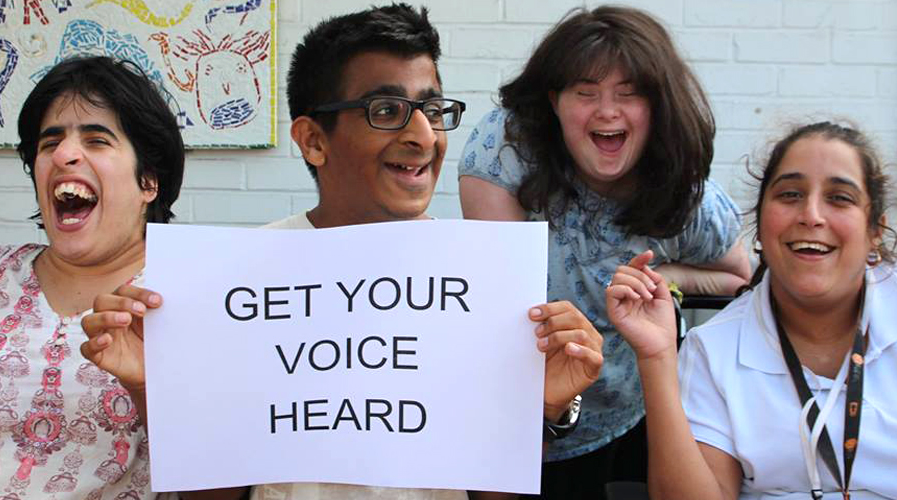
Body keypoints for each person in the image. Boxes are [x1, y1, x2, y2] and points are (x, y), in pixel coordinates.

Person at [79, 4, 604, 500]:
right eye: (387, 110)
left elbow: (497, 493)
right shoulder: (239, 278)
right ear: (313, 141)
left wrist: (545, 406)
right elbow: (210, 493)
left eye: (432, 109)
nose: (424, 135)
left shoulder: (479, 282)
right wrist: (155, 385)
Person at [456, 6, 752, 497]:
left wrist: (665, 279)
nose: (607, 111)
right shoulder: (504, 149)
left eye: (628, 94)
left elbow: (737, 276)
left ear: (657, 106)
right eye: (586, 93)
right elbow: (501, 312)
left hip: (631, 411)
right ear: (554, 101)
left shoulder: (687, 194)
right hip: (526, 413)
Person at [0, 55, 185, 499]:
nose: (66, 154)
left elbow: (217, 464)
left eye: (96, 139)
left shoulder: (185, 289)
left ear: (149, 181)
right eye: (50, 143)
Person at [607, 121, 896, 499]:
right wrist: (657, 357)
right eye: (790, 194)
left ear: (875, 229)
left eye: (840, 198)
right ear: (760, 224)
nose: (811, 215)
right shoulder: (712, 348)